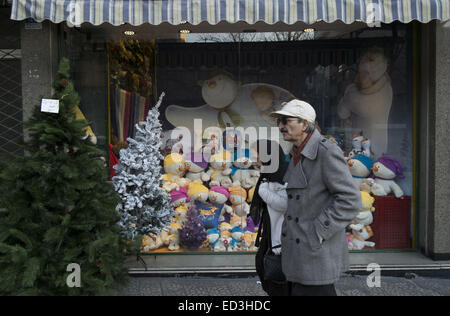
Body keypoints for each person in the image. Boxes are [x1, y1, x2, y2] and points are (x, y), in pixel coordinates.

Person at [271, 99, 361, 296]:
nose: (280, 126)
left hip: (315, 251)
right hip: (298, 251)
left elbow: (350, 200)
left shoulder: (326, 152)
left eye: (286, 121)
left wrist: (318, 231)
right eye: (279, 121)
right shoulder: (296, 151)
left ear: (305, 124)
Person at [250, 139, 290, 296]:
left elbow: (284, 204)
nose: (256, 161)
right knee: (266, 271)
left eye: (258, 157)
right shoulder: (268, 175)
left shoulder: (282, 176)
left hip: (281, 240)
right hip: (270, 235)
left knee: (277, 281)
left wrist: (264, 191)